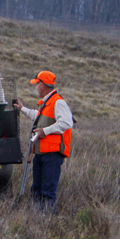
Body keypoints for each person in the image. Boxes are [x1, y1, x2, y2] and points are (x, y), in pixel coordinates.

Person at [14, 71, 73, 212]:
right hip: (41, 154)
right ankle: (37, 221)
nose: (36, 88)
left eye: (37, 84)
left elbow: (67, 122)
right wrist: (22, 109)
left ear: (42, 85)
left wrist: (44, 131)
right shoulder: (47, 103)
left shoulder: (58, 102)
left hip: (52, 155)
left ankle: (49, 223)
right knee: (36, 190)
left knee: (47, 192)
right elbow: (38, 116)